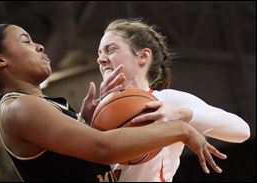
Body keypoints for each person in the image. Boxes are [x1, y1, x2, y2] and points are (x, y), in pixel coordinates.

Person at [0, 24, 227, 182]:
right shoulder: (18, 107)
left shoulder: (38, 105)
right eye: (26, 41)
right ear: (0, 60)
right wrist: (178, 129)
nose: (40, 45)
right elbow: (103, 148)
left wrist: (85, 120)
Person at [88, 18, 251, 182]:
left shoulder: (165, 100)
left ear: (143, 56)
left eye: (110, 50)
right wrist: (84, 121)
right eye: (99, 54)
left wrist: (182, 115)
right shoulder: (93, 113)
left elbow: (242, 131)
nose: (100, 59)